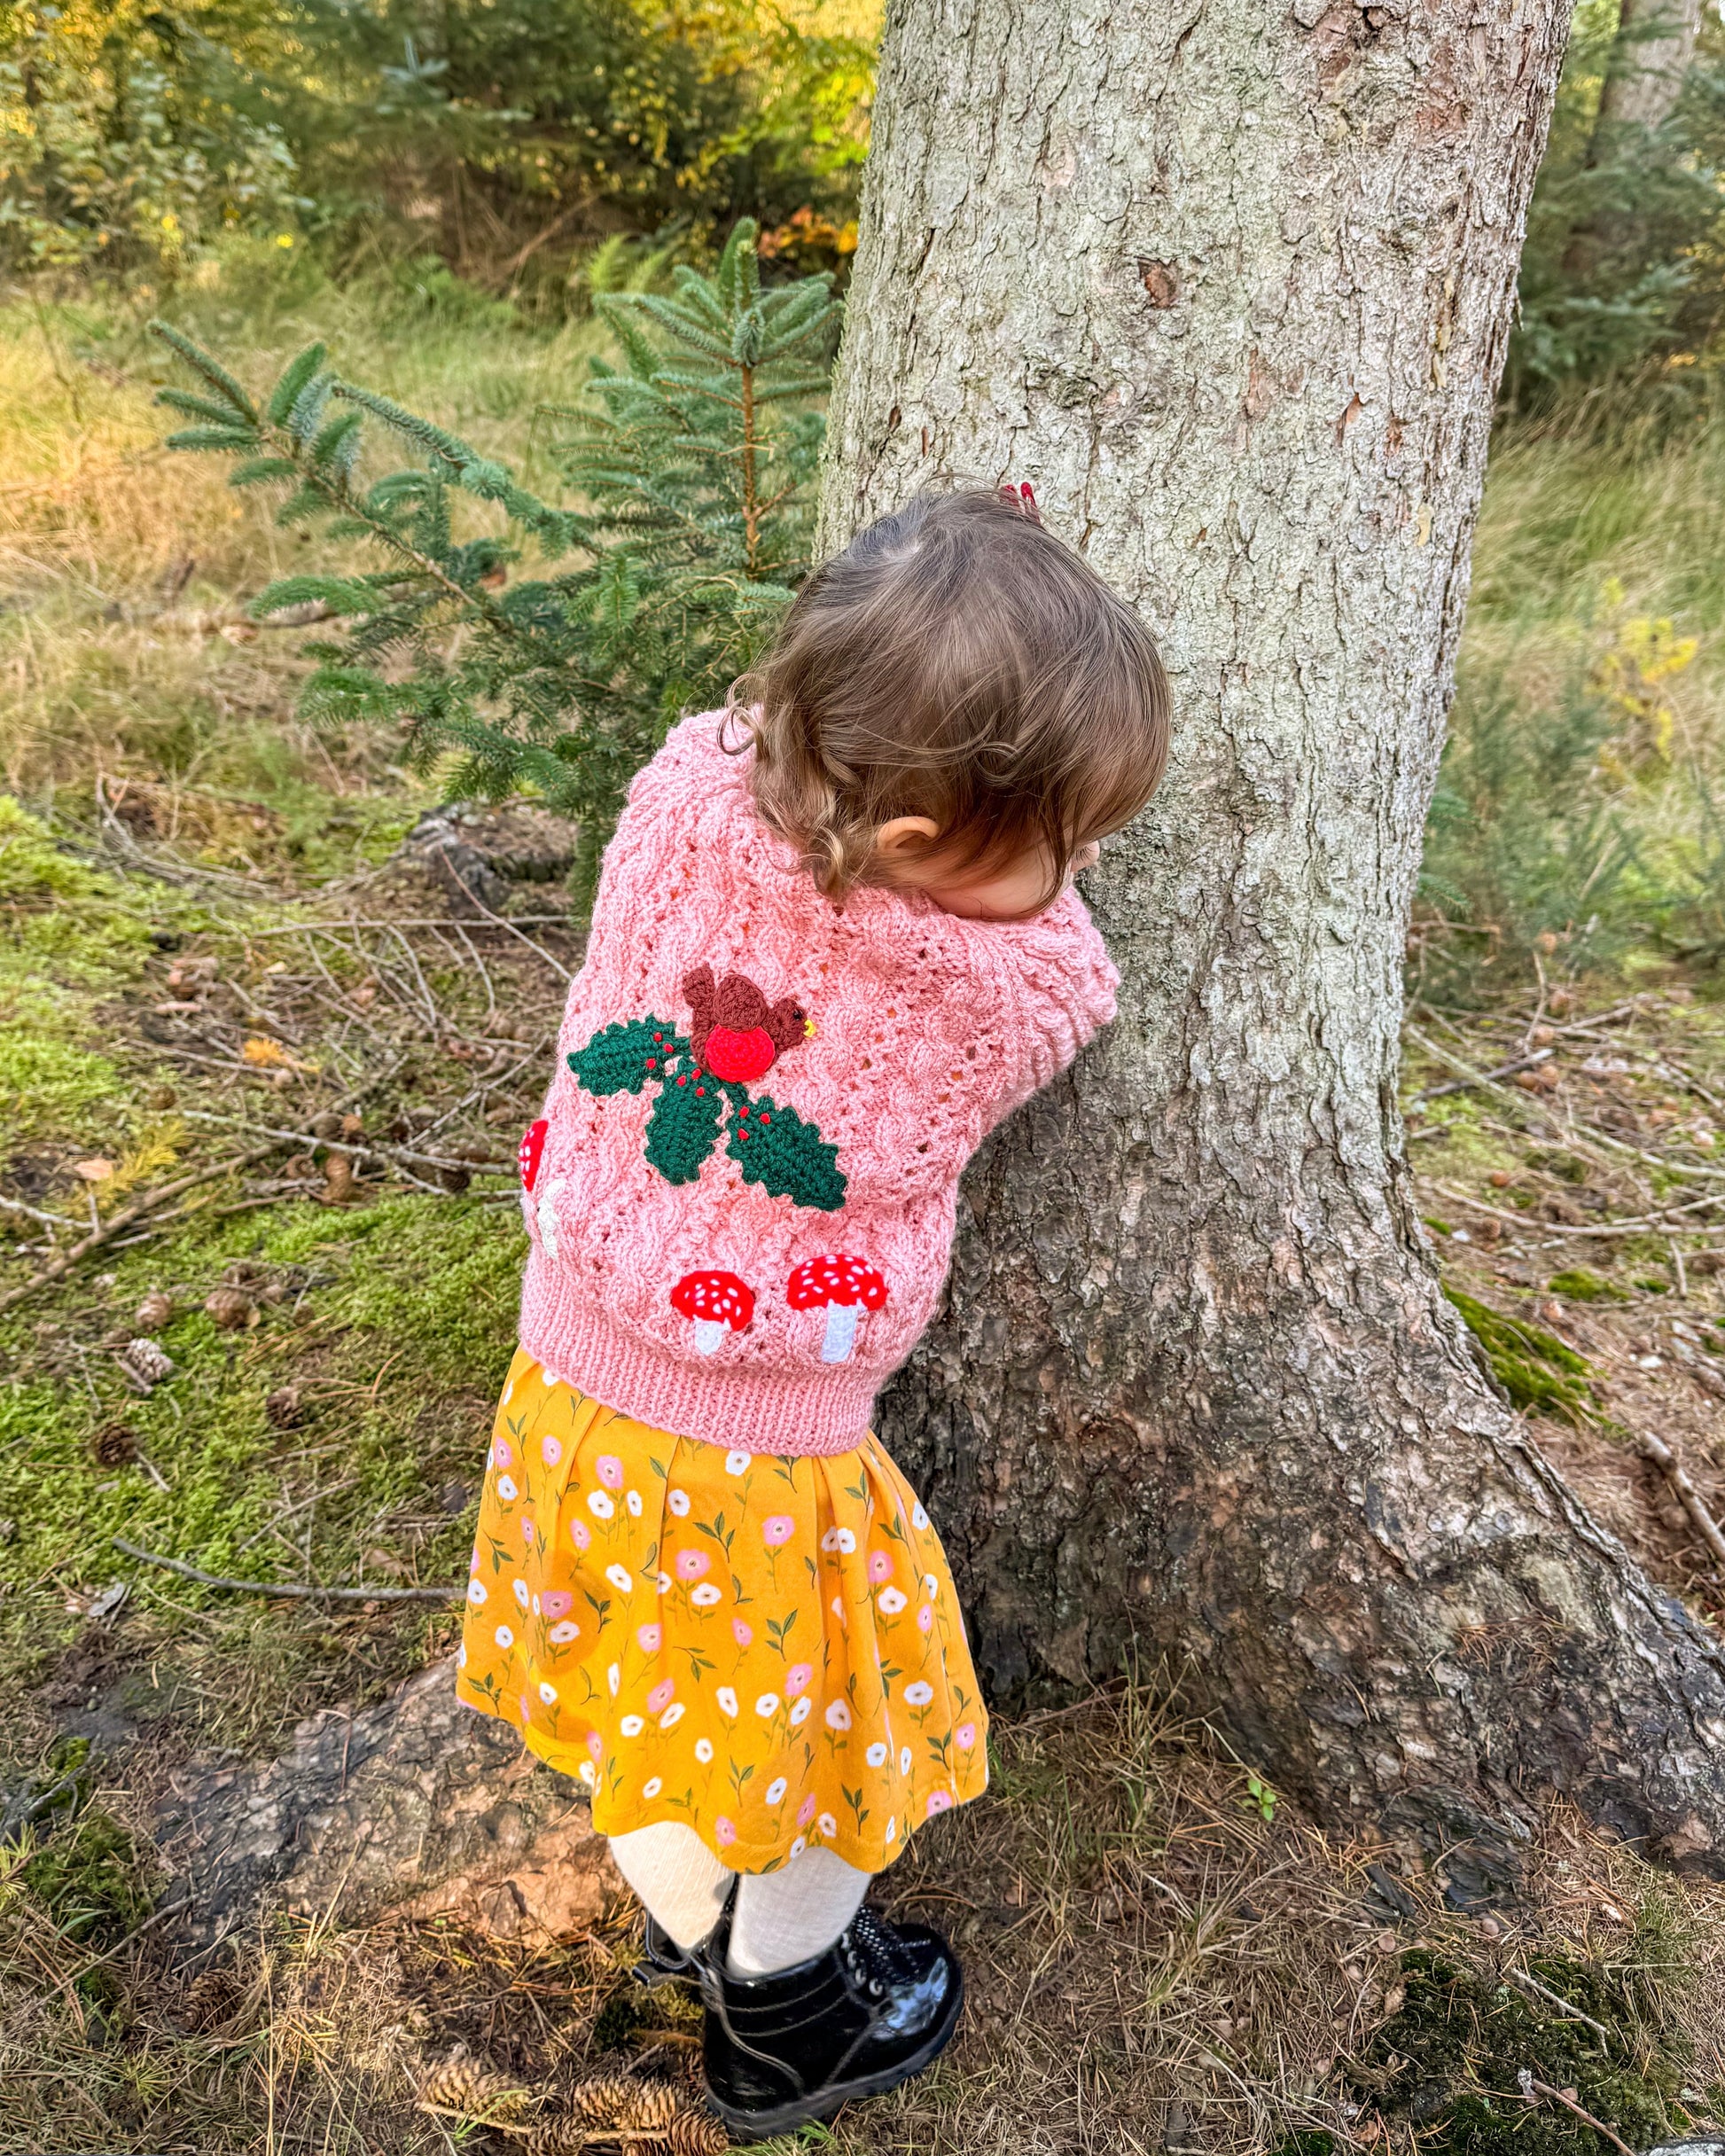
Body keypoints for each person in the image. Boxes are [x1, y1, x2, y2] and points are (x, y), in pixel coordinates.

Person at [457, 485, 1170, 2136]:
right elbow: (1067, 983)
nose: (1076, 878)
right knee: (831, 1736)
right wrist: (1021, 885)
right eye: (1064, 842)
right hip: (757, 1458)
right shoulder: (973, 984)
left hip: (570, 1377)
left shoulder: (685, 796)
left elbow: (735, 742)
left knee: (637, 1682)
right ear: (922, 848)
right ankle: (785, 2015)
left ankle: (686, 1927)